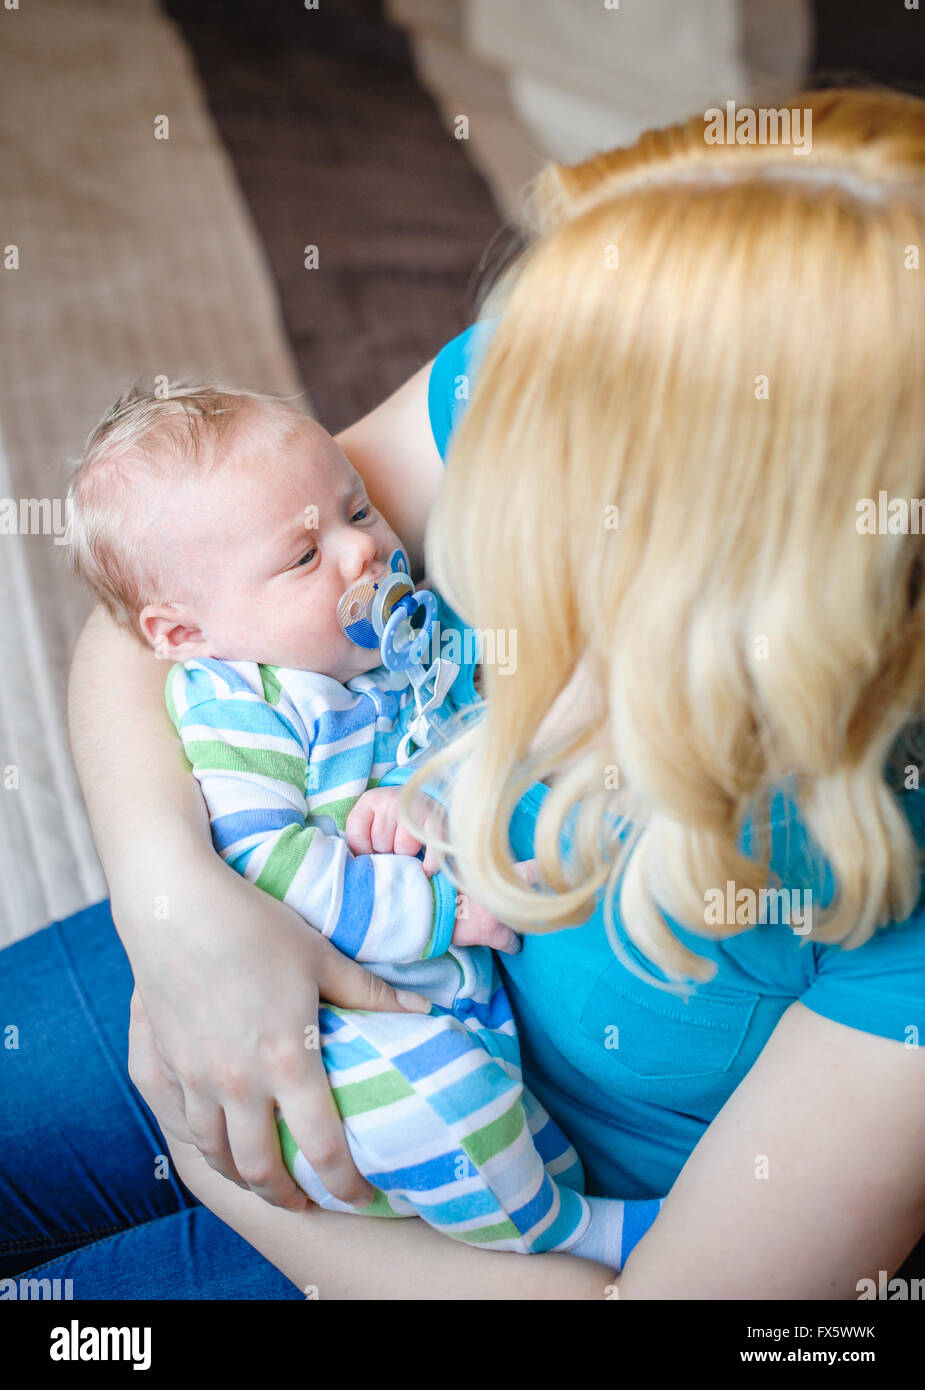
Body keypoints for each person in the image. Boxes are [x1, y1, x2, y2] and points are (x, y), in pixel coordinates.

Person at [4, 83, 925, 1299]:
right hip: (278, 928)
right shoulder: (566, 362)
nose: (482, 443)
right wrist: (173, 908)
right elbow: (174, 602)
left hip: (490, 1234)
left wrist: (223, 1170)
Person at [60, 379, 664, 1266]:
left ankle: (543, 1195)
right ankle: (578, 1233)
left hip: (445, 1002)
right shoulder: (241, 704)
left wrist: (429, 794)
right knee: (450, 1102)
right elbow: (275, 866)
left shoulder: (381, 655)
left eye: (360, 510)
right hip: (327, 1028)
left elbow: (462, 744)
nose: (363, 554)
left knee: (496, 1109)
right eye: (304, 558)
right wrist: (444, 911)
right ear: (183, 634)